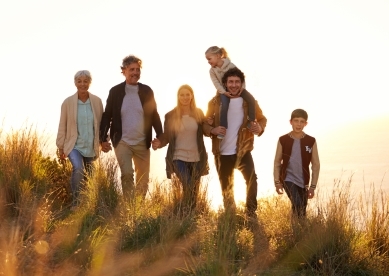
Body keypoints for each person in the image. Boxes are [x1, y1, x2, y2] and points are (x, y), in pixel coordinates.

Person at [206, 67, 267, 217]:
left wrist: (259, 127)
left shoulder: (249, 102)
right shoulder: (214, 102)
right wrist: (212, 130)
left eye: (237, 82)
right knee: (227, 187)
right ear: (225, 84)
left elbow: (262, 119)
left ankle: (251, 213)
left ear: (242, 84)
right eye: (230, 82)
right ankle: (230, 215)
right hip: (222, 153)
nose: (233, 85)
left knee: (252, 179)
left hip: (243, 150)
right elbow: (205, 124)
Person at [100, 55, 163, 200]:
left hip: (142, 141)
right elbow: (107, 115)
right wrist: (102, 138)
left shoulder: (147, 91)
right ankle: (128, 206)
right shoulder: (115, 91)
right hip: (122, 141)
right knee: (127, 173)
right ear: (124, 71)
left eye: (138, 69)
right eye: (131, 69)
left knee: (143, 180)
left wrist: (160, 136)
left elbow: (154, 115)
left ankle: (138, 209)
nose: (135, 72)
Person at [151, 85, 211, 212]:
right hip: (178, 157)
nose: (185, 97)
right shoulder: (171, 115)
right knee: (187, 184)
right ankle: (184, 212)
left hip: (196, 157)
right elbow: (167, 136)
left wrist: (211, 123)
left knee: (194, 189)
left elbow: (206, 131)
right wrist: (159, 143)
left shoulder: (199, 113)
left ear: (192, 96)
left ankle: (189, 215)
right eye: (182, 95)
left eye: (187, 94)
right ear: (178, 97)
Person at [56, 70, 104, 210]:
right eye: (79, 81)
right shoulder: (68, 102)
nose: (82, 84)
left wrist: (104, 141)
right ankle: (76, 202)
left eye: (85, 81)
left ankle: (89, 203)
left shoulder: (96, 101)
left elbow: (101, 124)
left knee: (91, 175)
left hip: (90, 145)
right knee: (78, 168)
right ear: (75, 83)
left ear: (89, 83)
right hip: (74, 145)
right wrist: (61, 147)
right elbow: (62, 125)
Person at [273, 109, 320, 218]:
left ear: (305, 124)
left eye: (302, 121)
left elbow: (316, 165)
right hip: (287, 179)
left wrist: (312, 187)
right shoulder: (283, 139)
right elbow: (277, 162)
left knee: (301, 210)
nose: (299, 124)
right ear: (291, 122)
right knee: (298, 204)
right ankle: (298, 229)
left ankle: (297, 231)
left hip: (303, 182)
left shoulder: (311, 141)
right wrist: (277, 182)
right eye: (296, 121)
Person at [205, 46, 257, 139]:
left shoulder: (230, 65)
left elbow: (241, 77)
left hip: (238, 89)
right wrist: (224, 92)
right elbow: (216, 83)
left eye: (209, 59)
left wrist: (242, 88)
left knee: (251, 100)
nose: (208, 61)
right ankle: (223, 128)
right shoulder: (212, 71)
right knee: (224, 105)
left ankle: (250, 121)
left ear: (217, 56)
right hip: (223, 91)